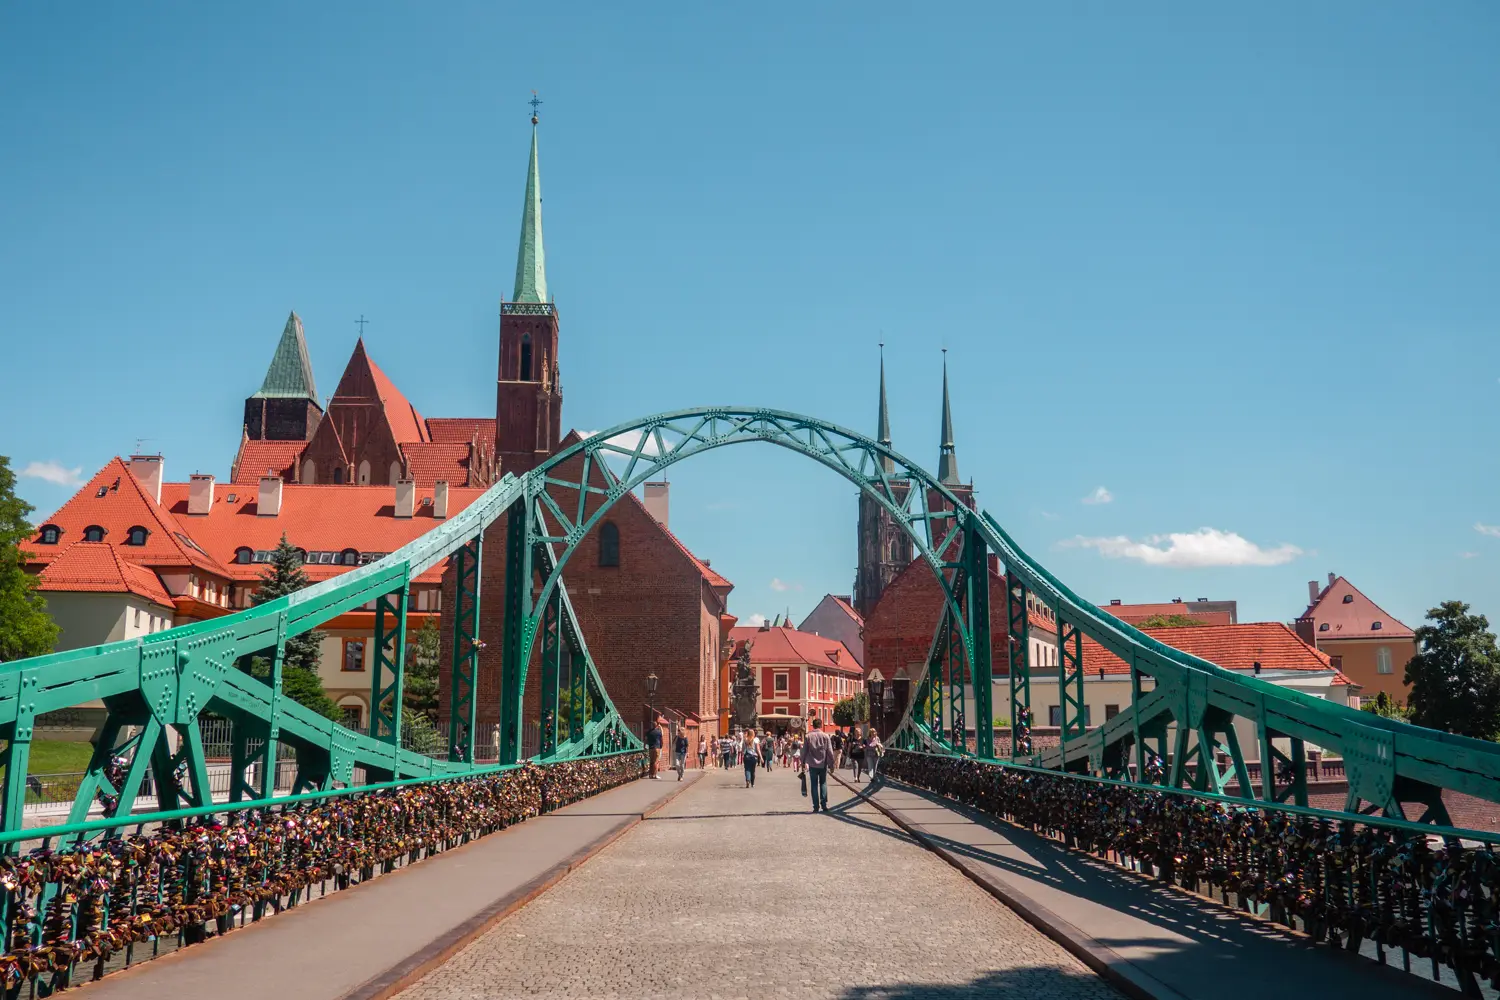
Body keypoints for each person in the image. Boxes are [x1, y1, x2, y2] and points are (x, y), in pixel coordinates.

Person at [800, 717, 834, 813]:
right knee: (823, 783)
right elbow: (830, 751)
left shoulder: (808, 736)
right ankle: (824, 805)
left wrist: (802, 762)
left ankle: (815, 806)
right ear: (820, 725)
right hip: (823, 764)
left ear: (813, 725)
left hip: (812, 764)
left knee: (814, 785)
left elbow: (804, 751)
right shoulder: (826, 736)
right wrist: (832, 764)